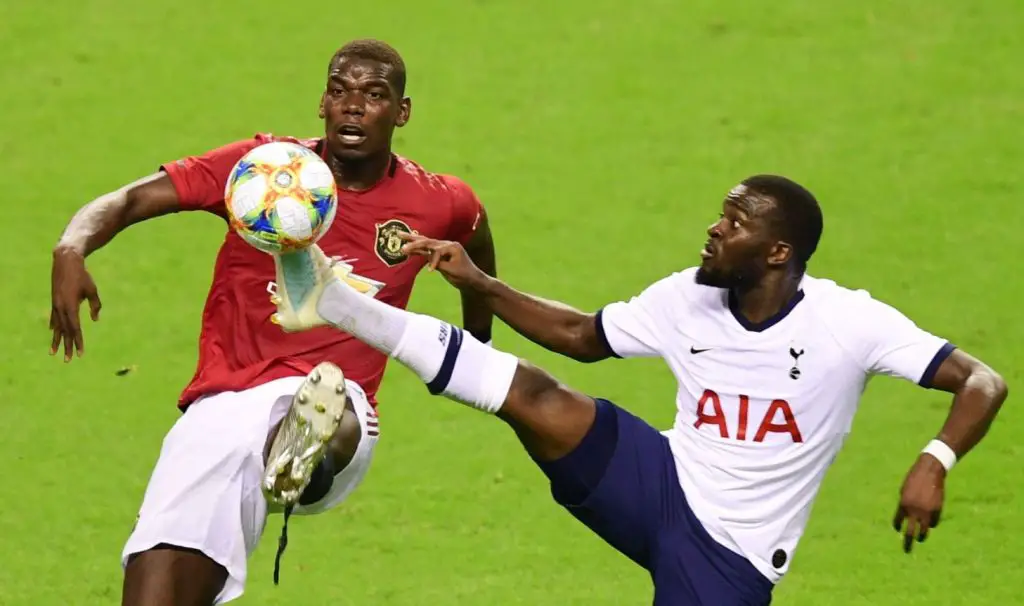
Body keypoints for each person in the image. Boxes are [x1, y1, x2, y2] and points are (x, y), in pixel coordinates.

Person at [267, 174, 1007, 605]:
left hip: (730, 558)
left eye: (735, 222)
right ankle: (331, 301)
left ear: (778, 252)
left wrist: (934, 459)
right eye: (721, 213)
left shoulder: (850, 321)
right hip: (662, 481)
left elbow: (983, 380)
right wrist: (479, 283)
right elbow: (582, 338)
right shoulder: (691, 295)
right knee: (536, 395)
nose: (714, 230)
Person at [48, 39, 498, 606]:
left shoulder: (437, 200)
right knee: (154, 582)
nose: (353, 106)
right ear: (322, 104)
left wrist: (476, 343)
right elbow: (133, 199)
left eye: (373, 95)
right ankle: (284, 455)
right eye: (340, 92)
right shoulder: (261, 172)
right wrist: (71, 249)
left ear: (401, 112)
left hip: (339, 402)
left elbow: (475, 240)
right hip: (221, 404)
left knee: (322, 404)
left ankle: (300, 456)